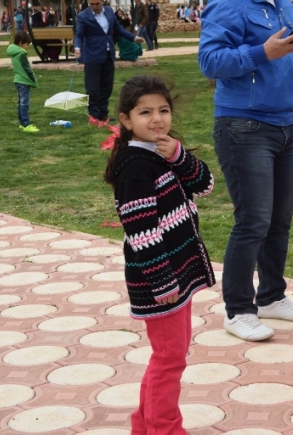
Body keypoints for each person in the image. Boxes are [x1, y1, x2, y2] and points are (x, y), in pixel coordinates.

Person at [198, 0, 293, 342]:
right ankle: (238, 309)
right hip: (243, 126)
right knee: (252, 220)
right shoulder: (227, 3)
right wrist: (261, 52)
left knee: (279, 220)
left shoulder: (283, 1)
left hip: (284, 124)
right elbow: (209, 62)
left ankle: (270, 295)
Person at [104, 75, 215, 435]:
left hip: (174, 275)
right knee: (169, 360)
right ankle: (165, 429)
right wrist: (162, 280)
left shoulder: (162, 152)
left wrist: (180, 156)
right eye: (145, 112)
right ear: (125, 120)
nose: (157, 119)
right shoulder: (135, 167)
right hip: (160, 281)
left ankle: (144, 426)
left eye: (163, 110)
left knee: (170, 357)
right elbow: (142, 231)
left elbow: (206, 186)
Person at [74, 0, 143, 123]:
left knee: (107, 86)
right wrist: (77, 48)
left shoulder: (109, 12)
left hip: (108, 54)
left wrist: (134, 38)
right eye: (91, 4)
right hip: (92, 56)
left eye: (97, 3)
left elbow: (118, 28)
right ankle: (94, 115)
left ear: (102, 1)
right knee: (92, 87)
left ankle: (103, 113)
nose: (94, 6)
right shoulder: (83, 16)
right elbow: (79, 35)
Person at [7, 31, 38, 133]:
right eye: (27, 44)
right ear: (21, 43)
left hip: (18, 80)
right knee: (25, 103)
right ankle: (26, 124)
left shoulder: (14, 52)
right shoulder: (21, 54)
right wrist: (33, 79)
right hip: (24, 81)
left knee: (20, 102)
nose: (27, 46)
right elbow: (27, 68)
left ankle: (22, 123)